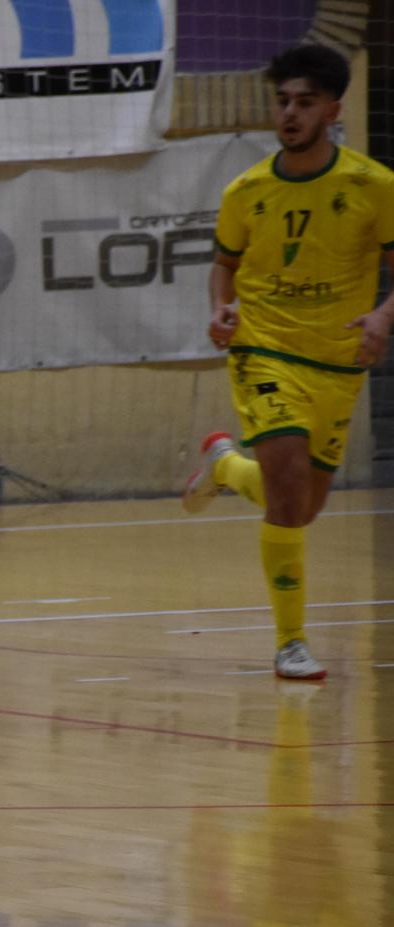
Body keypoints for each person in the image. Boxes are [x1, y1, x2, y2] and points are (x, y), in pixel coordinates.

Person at [181, 44, 393, 680]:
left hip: (337, 363)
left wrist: (383, 316)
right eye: (282, 101)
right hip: (264, 348)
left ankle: (225, 466)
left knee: (300, 506)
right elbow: (224, 266)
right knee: (289, 476)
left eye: (305, 102)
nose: (290, 113)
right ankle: (291, 642)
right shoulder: (246, 191)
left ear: (333, 110)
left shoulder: (373, 185)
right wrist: (221, 309)